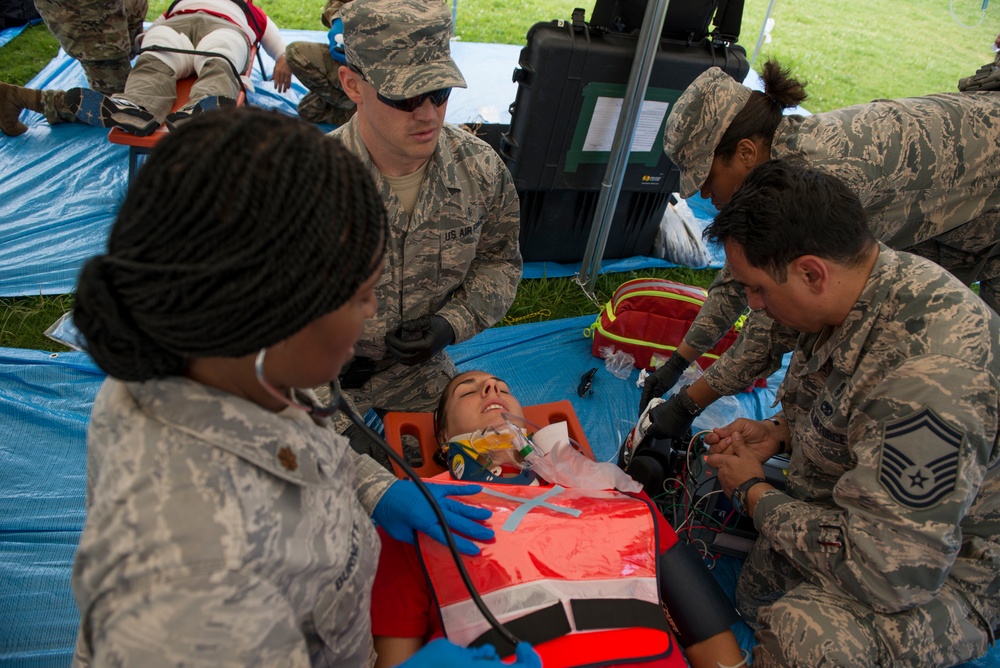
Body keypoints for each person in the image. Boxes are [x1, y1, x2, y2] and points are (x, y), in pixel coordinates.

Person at [69, 107, 541, 667]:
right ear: (282, 312)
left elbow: (303, 446)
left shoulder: (242, 366)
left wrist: (377, 489)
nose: (374, 311)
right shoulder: (188, 569)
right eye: (362, 295)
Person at [700, 159, 1000, 667]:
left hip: (944, 574)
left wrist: (755, 494)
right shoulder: (858, 289)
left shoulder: (932, 380)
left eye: (758, 290)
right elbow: (848, 405)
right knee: (758, 591)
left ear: (811, 272)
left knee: (806, 636)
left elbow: (892, 574)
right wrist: (780, 432)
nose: (754, 304)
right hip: (860, 514)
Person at [635, 59, 1000, 445]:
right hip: (961, 206)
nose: (707, 194)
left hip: (984, 203)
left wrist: (686, 405)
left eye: (707, 178)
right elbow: (742, 278)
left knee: (970, 367)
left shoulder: (823, 172)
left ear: (745, 153)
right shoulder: (781, 160)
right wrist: (679, 362)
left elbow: (773, 323)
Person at [371, 370, 748, 668]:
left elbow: (706, 629)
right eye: (469, 391)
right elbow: (396, 656)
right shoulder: (418, 512)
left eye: (500, 386)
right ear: (442, 435)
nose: (491, 389)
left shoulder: (614, 493)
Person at [328, 0, 522, 470]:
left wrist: (449, 325)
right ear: (353, 84)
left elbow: (500, 264)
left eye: (439, 92)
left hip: (415, 372)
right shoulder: (305, 182)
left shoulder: (479, 170)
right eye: (406, 98)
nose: (428, 114)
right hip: (313, 378)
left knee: (485, 469)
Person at [0, 0, 292, 137]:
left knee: (156, 64)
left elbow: (278, 48)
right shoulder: (250, 11)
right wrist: (282, 57)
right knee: (219, 63)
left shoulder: (181, 4)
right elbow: (277, 48)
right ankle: (202, 108)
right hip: (220, 30)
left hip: (176, 29)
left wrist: (283, 57)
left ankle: (135, 105)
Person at [284, 0, 357, 125]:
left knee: (295, 52)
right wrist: (337, 18)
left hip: (389, 66)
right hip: (356, 56)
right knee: (308, 109)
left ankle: (368, 109)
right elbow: (340, 2)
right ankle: (356, 107)